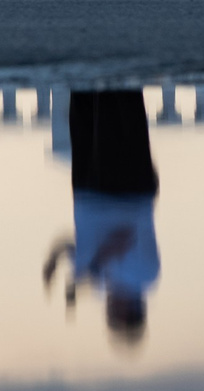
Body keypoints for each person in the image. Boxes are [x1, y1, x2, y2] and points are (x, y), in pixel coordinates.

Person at [40, 88, 161, 344]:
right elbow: (122, 240)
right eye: (115, 316)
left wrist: (54, 259)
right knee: (117, 111)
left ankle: (84, 70)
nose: (108, 311)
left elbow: (77, 247)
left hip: (88, 189)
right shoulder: (143, 276)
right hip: (123, 189)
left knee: (83, 112)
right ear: (130, 313)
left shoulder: (100, 285)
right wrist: (87, 273)